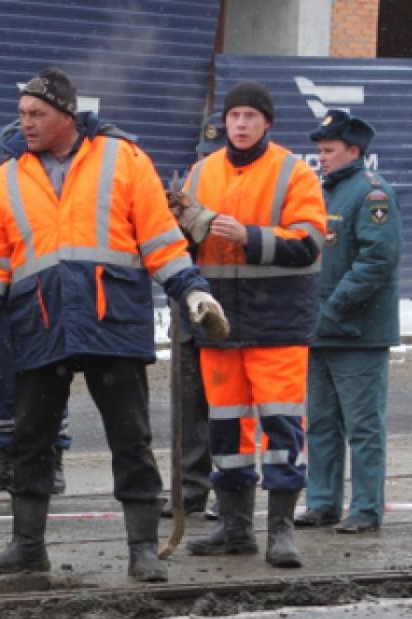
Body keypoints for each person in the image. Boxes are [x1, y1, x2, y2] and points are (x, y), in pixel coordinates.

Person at [0, 68, 225, 582]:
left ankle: (142, 549)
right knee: (30, 439)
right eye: (22, 114)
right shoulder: (8, 178)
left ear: (66, 116)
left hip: (110, 320)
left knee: (130, 437)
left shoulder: (125, 160)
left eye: (37, 114)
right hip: (41, 321)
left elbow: (161, 241)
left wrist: (193, 291)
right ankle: (28, 546)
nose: (26, 123)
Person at [171, 81, 327, 569]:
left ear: (267, 123)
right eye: (234, 116)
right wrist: (181, 226)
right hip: (220, 325)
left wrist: (249, 236)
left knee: (282, 427)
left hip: (277, 323)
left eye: (250, 117)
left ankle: (281, 531)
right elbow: (183, 246)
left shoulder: (294, 172)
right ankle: (235, 528)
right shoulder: (202, 173)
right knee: (226, 429)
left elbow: (309, 243)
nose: (240, 124)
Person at [297, 110, 401, 534]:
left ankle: (365, 510)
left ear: (354, 151)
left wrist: (334, 308)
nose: (321, 158)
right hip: (320, 331)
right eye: (319, 150)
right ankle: (322, 503)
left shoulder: (372, 194)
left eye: (329, 150)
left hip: (358, 333)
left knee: (363, 428)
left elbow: (377, 258)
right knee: (321, 424)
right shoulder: (323, 192)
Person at [0, 121, 71, 498]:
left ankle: (50, 461)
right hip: (2, 296)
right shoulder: (4, 184)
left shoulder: (52, 185)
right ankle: (5, 460)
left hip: (40, 295)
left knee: (45, 381)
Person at [166, 114, 228, 520]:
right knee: (188, 412)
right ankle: (189, 492)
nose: (206, 162)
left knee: (226, 410)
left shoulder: (239, 188)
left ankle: (228, 491)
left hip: (227, 308)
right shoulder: (189, 186)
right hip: (188, 313)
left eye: (212, 155)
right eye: (202, 156)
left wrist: (200, 220)